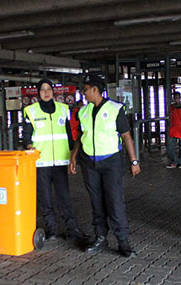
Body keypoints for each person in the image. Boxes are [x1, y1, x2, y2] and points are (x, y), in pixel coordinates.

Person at [70, 74, 141, 258]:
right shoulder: (83, 112)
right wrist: (73, 157)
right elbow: (80, 136)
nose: (83, 93)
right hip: (89, 163)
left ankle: (123, 242)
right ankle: (100, 237)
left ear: (94, 89)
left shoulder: (115, 109)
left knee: (114, 201)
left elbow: (126, 136)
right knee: (96, 202)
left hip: (111, 162)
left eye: (85, 89)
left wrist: (134, 161)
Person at [22, 79, 85, 241]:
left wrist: (73, 156)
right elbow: (26, 136)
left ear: (53, 91)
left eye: (48, 89)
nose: (46, 92)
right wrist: (29, 146)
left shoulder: (63, 110)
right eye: (42, 89)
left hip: (60, 162)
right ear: (38, 93)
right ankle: (51, 230)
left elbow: (70, 136)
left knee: (64, 196)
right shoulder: (31, 111)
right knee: (45, 198)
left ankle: (72, 228)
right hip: (41, 162)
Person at [166, 92, 181, 168]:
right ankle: (177, 162)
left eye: (178, 97)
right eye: (176, 97)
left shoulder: (172, 107)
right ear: (173, 98)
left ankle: (177, 162)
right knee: (170, 147)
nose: (177, 99)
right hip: (174, 129)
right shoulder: (171, 107)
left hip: (176, 129)